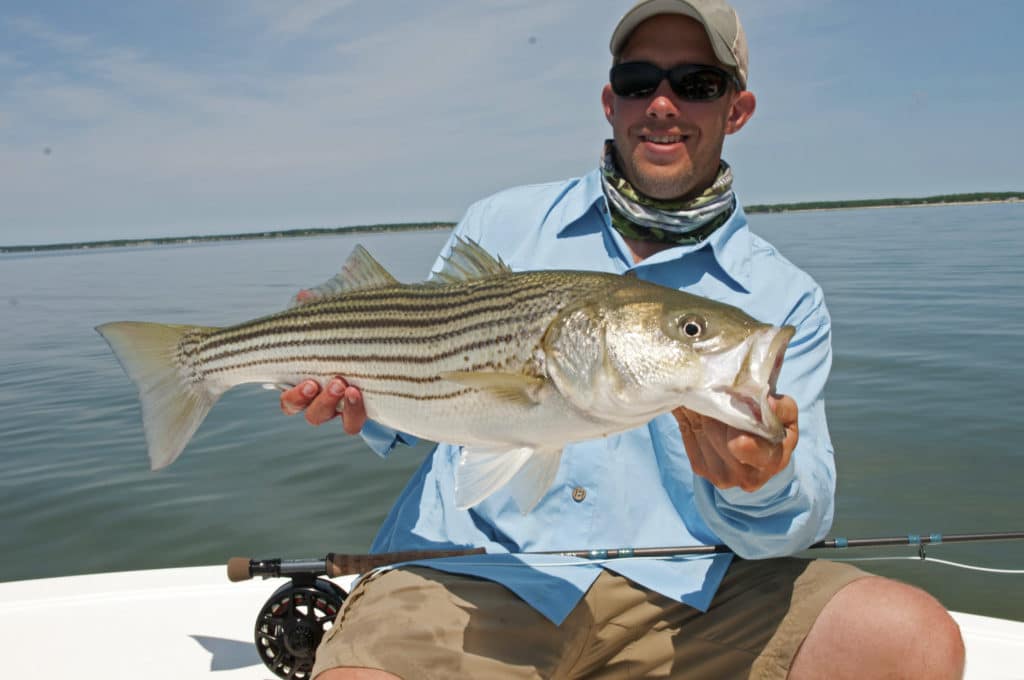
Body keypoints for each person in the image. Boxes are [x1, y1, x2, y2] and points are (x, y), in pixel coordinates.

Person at [282, 1, 965, 678]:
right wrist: (351, 392)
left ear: (737, 110)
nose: (663, 104)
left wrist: (763, 480)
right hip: (472, 578)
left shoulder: (784, 298)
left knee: (915, 642)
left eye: (696, 84)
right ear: (611, 102)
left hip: (692, 599)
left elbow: (791, 526)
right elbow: (416, 401)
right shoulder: (501, 223)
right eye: (641, 81)